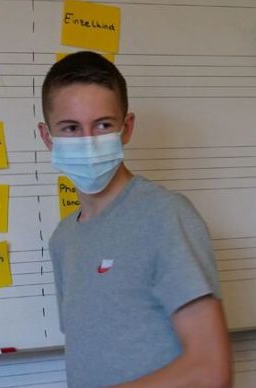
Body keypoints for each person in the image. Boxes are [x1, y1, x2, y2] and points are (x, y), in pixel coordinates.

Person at [40, 51, 232, 388]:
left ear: (126, 128)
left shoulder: (165, 216)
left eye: (103, 125)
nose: (88, 142)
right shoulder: (63, 239)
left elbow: (211, 371)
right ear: (47, 137)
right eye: (71, 128)